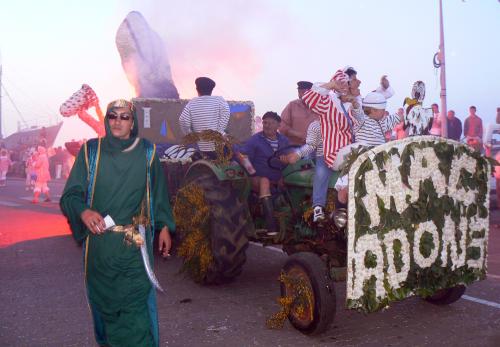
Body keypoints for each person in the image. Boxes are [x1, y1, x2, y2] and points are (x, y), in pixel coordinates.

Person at [60, 99, 175, 347]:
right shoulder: (92, 151)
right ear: (107, 119)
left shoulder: (147, 151)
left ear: (133, 122)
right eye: (113, 116)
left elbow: (158, 192)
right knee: (107, 311)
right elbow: (70, 196)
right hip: (100, 248)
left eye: (124, 117)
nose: (118, 121)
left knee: (135, 314)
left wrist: (165, 225)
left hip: (134, 245)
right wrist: (84, 212)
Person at [235, 111, 290, 234]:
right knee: (264, 181)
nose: (267, 125)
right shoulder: (255, 140)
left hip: (278, 177)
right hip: (257, 178)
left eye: (271, 123)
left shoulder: (284, 141)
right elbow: (242, 156)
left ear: (278, 125)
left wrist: (284, 175)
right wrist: (252, 173)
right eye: (265, 122)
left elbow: (289, 158)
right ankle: (271, 226)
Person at [179, 77, 230, 159]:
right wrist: (219, 131)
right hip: (219, 148)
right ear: (211, 90)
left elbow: (183, 120)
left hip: (201, 148)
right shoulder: (219, 100)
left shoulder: (192, 103)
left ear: (197, 89)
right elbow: (226, 112)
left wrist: (190, 134)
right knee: (235, 152)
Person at [279, 81, 319, 145]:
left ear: (312, 93)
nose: (300, 95)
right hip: (295, 146)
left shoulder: (321, 107)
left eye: (303, 92)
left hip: (315, 147)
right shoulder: (292, 105)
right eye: (299, 92)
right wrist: (297, 134)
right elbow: (281, 125)